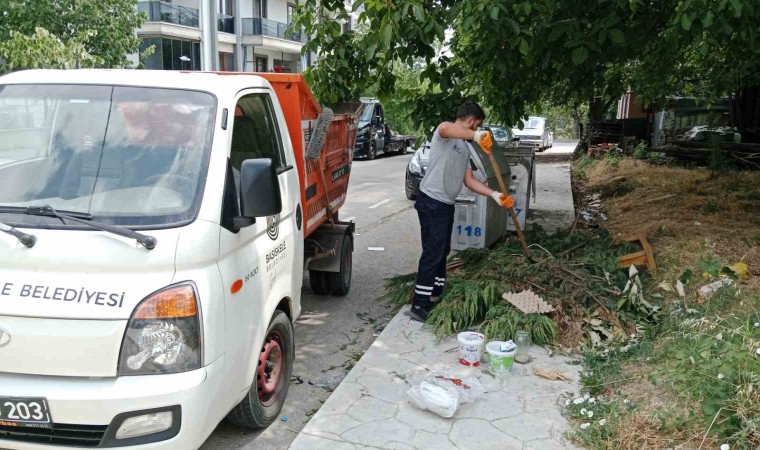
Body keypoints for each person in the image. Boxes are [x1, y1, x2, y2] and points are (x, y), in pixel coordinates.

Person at [410, 102, 514, 322]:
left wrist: (495, 195)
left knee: (442, 251)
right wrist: (476, 137)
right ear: (471, 121)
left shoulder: (465, 148)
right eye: (477, 127)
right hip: (431, 202)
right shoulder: (446, 133)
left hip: (446, 204)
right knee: (432, 253)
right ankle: (419, 304)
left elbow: (469, 180)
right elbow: (446, 128)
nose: (476, 131)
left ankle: (435, 295)